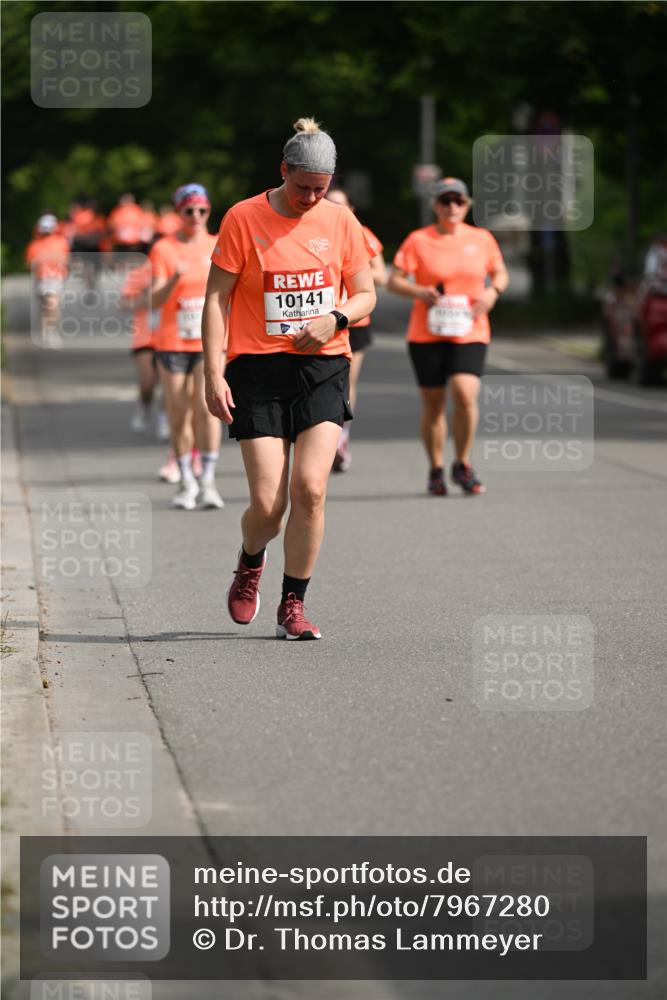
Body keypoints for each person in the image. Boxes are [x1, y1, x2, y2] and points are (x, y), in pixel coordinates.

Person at [202, 118, 376, 640]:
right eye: (302, 188)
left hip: (323, 365)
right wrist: (213, 371)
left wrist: (337, 317)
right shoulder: (243, 217)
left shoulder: (341, 220)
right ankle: (250, 560)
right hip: (256, 368)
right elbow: (217, 299)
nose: (310, 199)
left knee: (311, 489)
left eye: (320, 190)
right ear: (283, 171)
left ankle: (292, 606)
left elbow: (366, 294)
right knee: (268, 504)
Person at [388, 178, 509, 496]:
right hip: (427, 332)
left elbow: (500, 272)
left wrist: (492, 292)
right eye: (445, 201)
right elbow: (394, 281)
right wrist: (418, 291)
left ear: (467, 205)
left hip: (470, 329)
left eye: (458, 201)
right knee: (433, 403)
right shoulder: (418, 240)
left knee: (465, 394)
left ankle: (463, 463)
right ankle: (436, 469)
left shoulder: (481, 239)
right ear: (435, 206)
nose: (451, 207)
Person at [149, 183, 223, 509]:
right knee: (179, 413)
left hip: (210, 342)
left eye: (201, 210)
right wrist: (175, 279)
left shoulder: (219, 244)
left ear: (208, 211)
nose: (195, 216)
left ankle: (207, 480)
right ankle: (186, 481)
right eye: (188, 210)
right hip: (173, 341)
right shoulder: (164, 249)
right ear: (178, 212)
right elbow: (152, 300)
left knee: (207, 411)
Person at [325, 187, 387, 471]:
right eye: (331, 204)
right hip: (320, 321)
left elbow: (381, 276)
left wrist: (350, 272)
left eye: (341, 205)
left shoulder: (362, 233)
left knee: (345, 383)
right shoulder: (315, 229)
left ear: (352, 208)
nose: (336, 209)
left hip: (354, 321)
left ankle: (341, 439)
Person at [25, 213, 70, 348]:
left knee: (52, 305)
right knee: (47, 307)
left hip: (56, 279)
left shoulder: (61, 242)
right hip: (41, 279)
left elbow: (66, 259)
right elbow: (29, 265)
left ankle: (50, 331)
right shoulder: (34, 245)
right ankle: (47, 331)